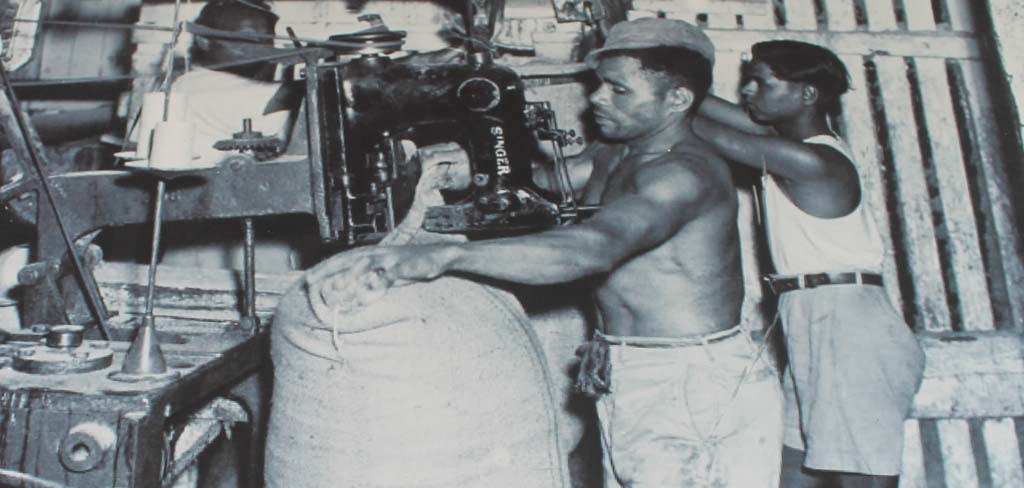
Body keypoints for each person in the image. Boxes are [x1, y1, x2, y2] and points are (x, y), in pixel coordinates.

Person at [306, 18, 783, 487]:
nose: (596, 98)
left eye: (618, 90)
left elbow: (591, 249)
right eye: (599, 84)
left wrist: (439, 258)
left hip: (691, 380)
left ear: (677, 100)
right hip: (635, 367)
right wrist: (462, 170)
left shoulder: (682, 174)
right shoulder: (614, 153)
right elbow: (542, 185)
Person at [694, 40, 926, 488]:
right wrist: (663, 73)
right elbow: (693, 105)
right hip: (810, 318)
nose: (747, 92)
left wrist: (664, 91)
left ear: (806, 94)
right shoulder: (784, 144)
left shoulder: (813, 159)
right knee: (797, 473)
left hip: (847, 325)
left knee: (862, 475)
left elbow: (695, 123)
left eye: (761, 82)